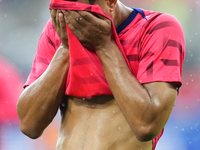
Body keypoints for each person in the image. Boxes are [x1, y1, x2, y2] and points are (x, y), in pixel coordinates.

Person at [17, 0, 185, 150]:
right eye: (63, 8)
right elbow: (29, 125)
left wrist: (104, 46)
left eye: (79, 11)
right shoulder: (57, 31)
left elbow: (147, 125)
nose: (70, 18)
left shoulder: (156, 28)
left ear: (110, 3)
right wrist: (65, 49)